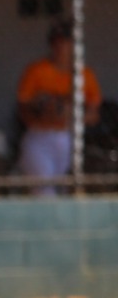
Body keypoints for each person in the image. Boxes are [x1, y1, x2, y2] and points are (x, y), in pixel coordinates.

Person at [16, 19, 101, 194]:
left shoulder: (85, 75)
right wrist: (45, 113)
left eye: (68, 42)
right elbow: (23, 109)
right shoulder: (37, 70)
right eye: (58, 41)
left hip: (69, 138)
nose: (63, 47)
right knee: (44, 191)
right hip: (40, 137)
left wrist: (70, 114)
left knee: (68, 191)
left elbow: (94, 115)